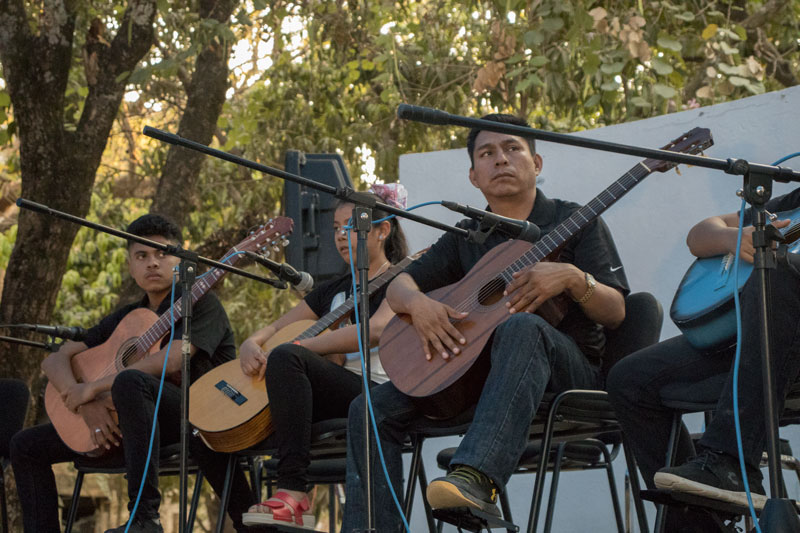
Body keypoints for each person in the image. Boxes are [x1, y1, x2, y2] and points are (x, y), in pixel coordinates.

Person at [341, 113, 630, 532]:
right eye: (487, 153)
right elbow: (398, 285)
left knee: (522, 327)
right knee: (371, 406)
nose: (501, 160)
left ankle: (476, 479)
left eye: (513, 149)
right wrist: (418, 305)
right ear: (474, 176)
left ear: (537, 163)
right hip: (485, 376)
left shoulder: (575, 220)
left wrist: (573, 278)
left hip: (567, 374)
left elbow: (618, 310)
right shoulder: (467, 235)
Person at [9, 214, 254, 533]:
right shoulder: (126, 318)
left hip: (192, 416)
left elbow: (174, 361)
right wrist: (85, 402)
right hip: (126, 427)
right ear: (129, 266)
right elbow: (56, 360)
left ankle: (145, 516)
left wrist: (95, 387)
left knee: (131, 380)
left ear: (180, 261)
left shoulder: (202, 304)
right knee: (24, 444)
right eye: (142, 255)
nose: (152, 263)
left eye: (162, 254)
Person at [607, 188, 800, 531]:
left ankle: (730, 463)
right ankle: (696, 525)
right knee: (631, 380)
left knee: (780, 269)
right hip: (761, 339)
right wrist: (733, 237)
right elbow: (700, 235)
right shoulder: (794, 201)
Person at [238, 188, 410, 529]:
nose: (341, 237)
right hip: (341, 393)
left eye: (351, 227)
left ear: (382, 230)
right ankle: (285, 498)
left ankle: (293, 493)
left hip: (379, 392)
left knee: (289, 357)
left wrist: (308, 347)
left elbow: (375, 330)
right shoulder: (334, 289)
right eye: (335, 228)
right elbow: (276, 328)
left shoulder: (401, 277)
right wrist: (251, 342)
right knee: (266, 382)